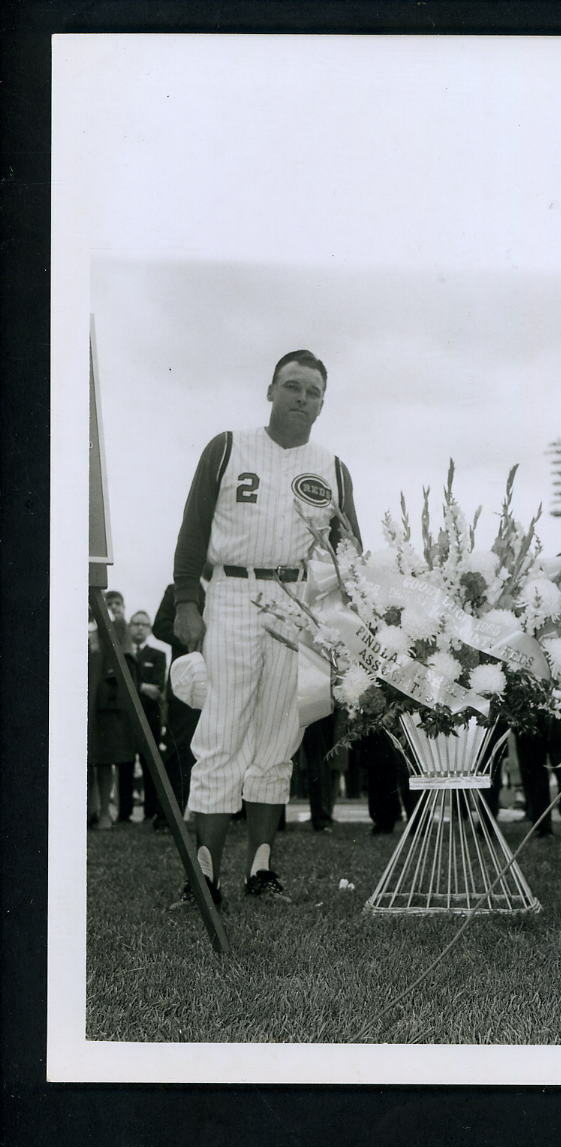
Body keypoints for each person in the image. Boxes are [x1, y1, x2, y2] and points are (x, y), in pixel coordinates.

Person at [171, 350, 361, 909]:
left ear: (323, 402)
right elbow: (192, 527)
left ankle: (261, 869)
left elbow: (349, 552)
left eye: (313, 392)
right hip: (231, 589)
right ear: (271, 389)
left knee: (280, 733)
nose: (302, 399)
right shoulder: (228, 446)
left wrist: (347, 620)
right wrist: (187, 598)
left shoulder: (331, 466)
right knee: (223, 728)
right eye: (292, 387)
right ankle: (204, 876)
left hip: (295, 598)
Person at [152, 582, 205, 830]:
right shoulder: (176, 591)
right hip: (187, 681)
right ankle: (170, 816)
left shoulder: (227, 586)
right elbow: (160, 626)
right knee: (179, 747)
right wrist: (195, 638)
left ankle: (226, 813)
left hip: (224, 678)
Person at [87, 610, 138, 829]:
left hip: (101, 704)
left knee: (103, 759)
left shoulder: (116, 626)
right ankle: (87, 811)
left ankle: (104, 812)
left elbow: (125, 657)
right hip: (77, 697)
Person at [116, 610, 167, 824]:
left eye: (143, 624)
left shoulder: (158, 655)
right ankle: (124, 813)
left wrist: (135, 687)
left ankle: (150, 811)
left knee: (150, 765)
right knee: (125, 765)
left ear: (149, 629)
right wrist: (142, 687)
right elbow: (120, 686)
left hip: (150, 718)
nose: (139, 627)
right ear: (129, 626)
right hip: (125, 719)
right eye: (135, 623)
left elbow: (158, 688)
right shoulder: (122, 653)